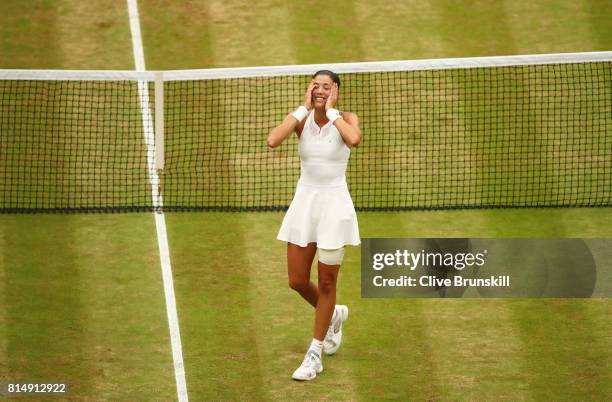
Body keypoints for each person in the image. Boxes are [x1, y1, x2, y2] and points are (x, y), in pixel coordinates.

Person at [267, 70, 362, 381]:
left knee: (326, 285)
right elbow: (273, 140)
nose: (320, 90)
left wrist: (331, 111)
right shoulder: (301, 119)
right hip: (304, 206)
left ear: (336, 90)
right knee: (296, 280)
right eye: (315, 85)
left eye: (326, 86)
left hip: (334, 209)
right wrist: (303, 108)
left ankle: (315, 354)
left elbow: (353, 139)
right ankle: (333, 314)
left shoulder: (347, 117)